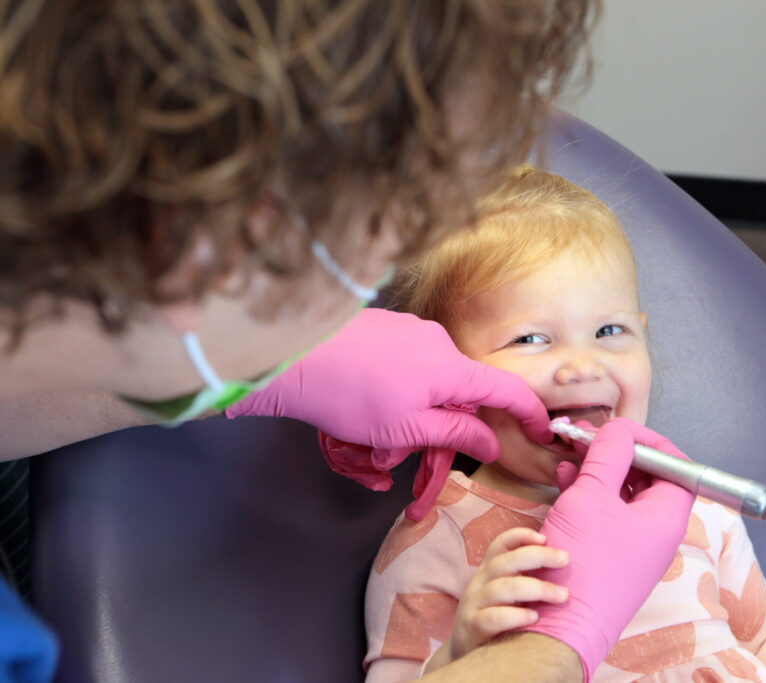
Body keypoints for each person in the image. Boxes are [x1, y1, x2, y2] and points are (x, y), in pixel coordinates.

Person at [0, 3, 698, 682]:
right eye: (392, 231)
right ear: (209, 237)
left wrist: (261, 370)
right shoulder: (441, 549)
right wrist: (549, 646)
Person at [346, 166, 766, 682]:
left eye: (609, 332)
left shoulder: (689, 500)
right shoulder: (437, 540)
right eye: (530, 339)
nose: (582, 366)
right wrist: (460, 654)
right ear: (451, 379)